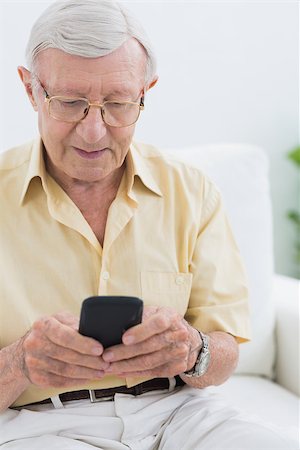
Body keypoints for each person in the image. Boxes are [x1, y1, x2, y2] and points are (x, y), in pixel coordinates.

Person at [0, 1, 297, 449]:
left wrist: (192, 350)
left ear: (146, 92)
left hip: (180, 413)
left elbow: (224, 354)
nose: (94, 130)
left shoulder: (192, 191)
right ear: (31, 90)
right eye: (71, 103)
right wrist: (20, 362)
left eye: (118, 104)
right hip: (41, 424)